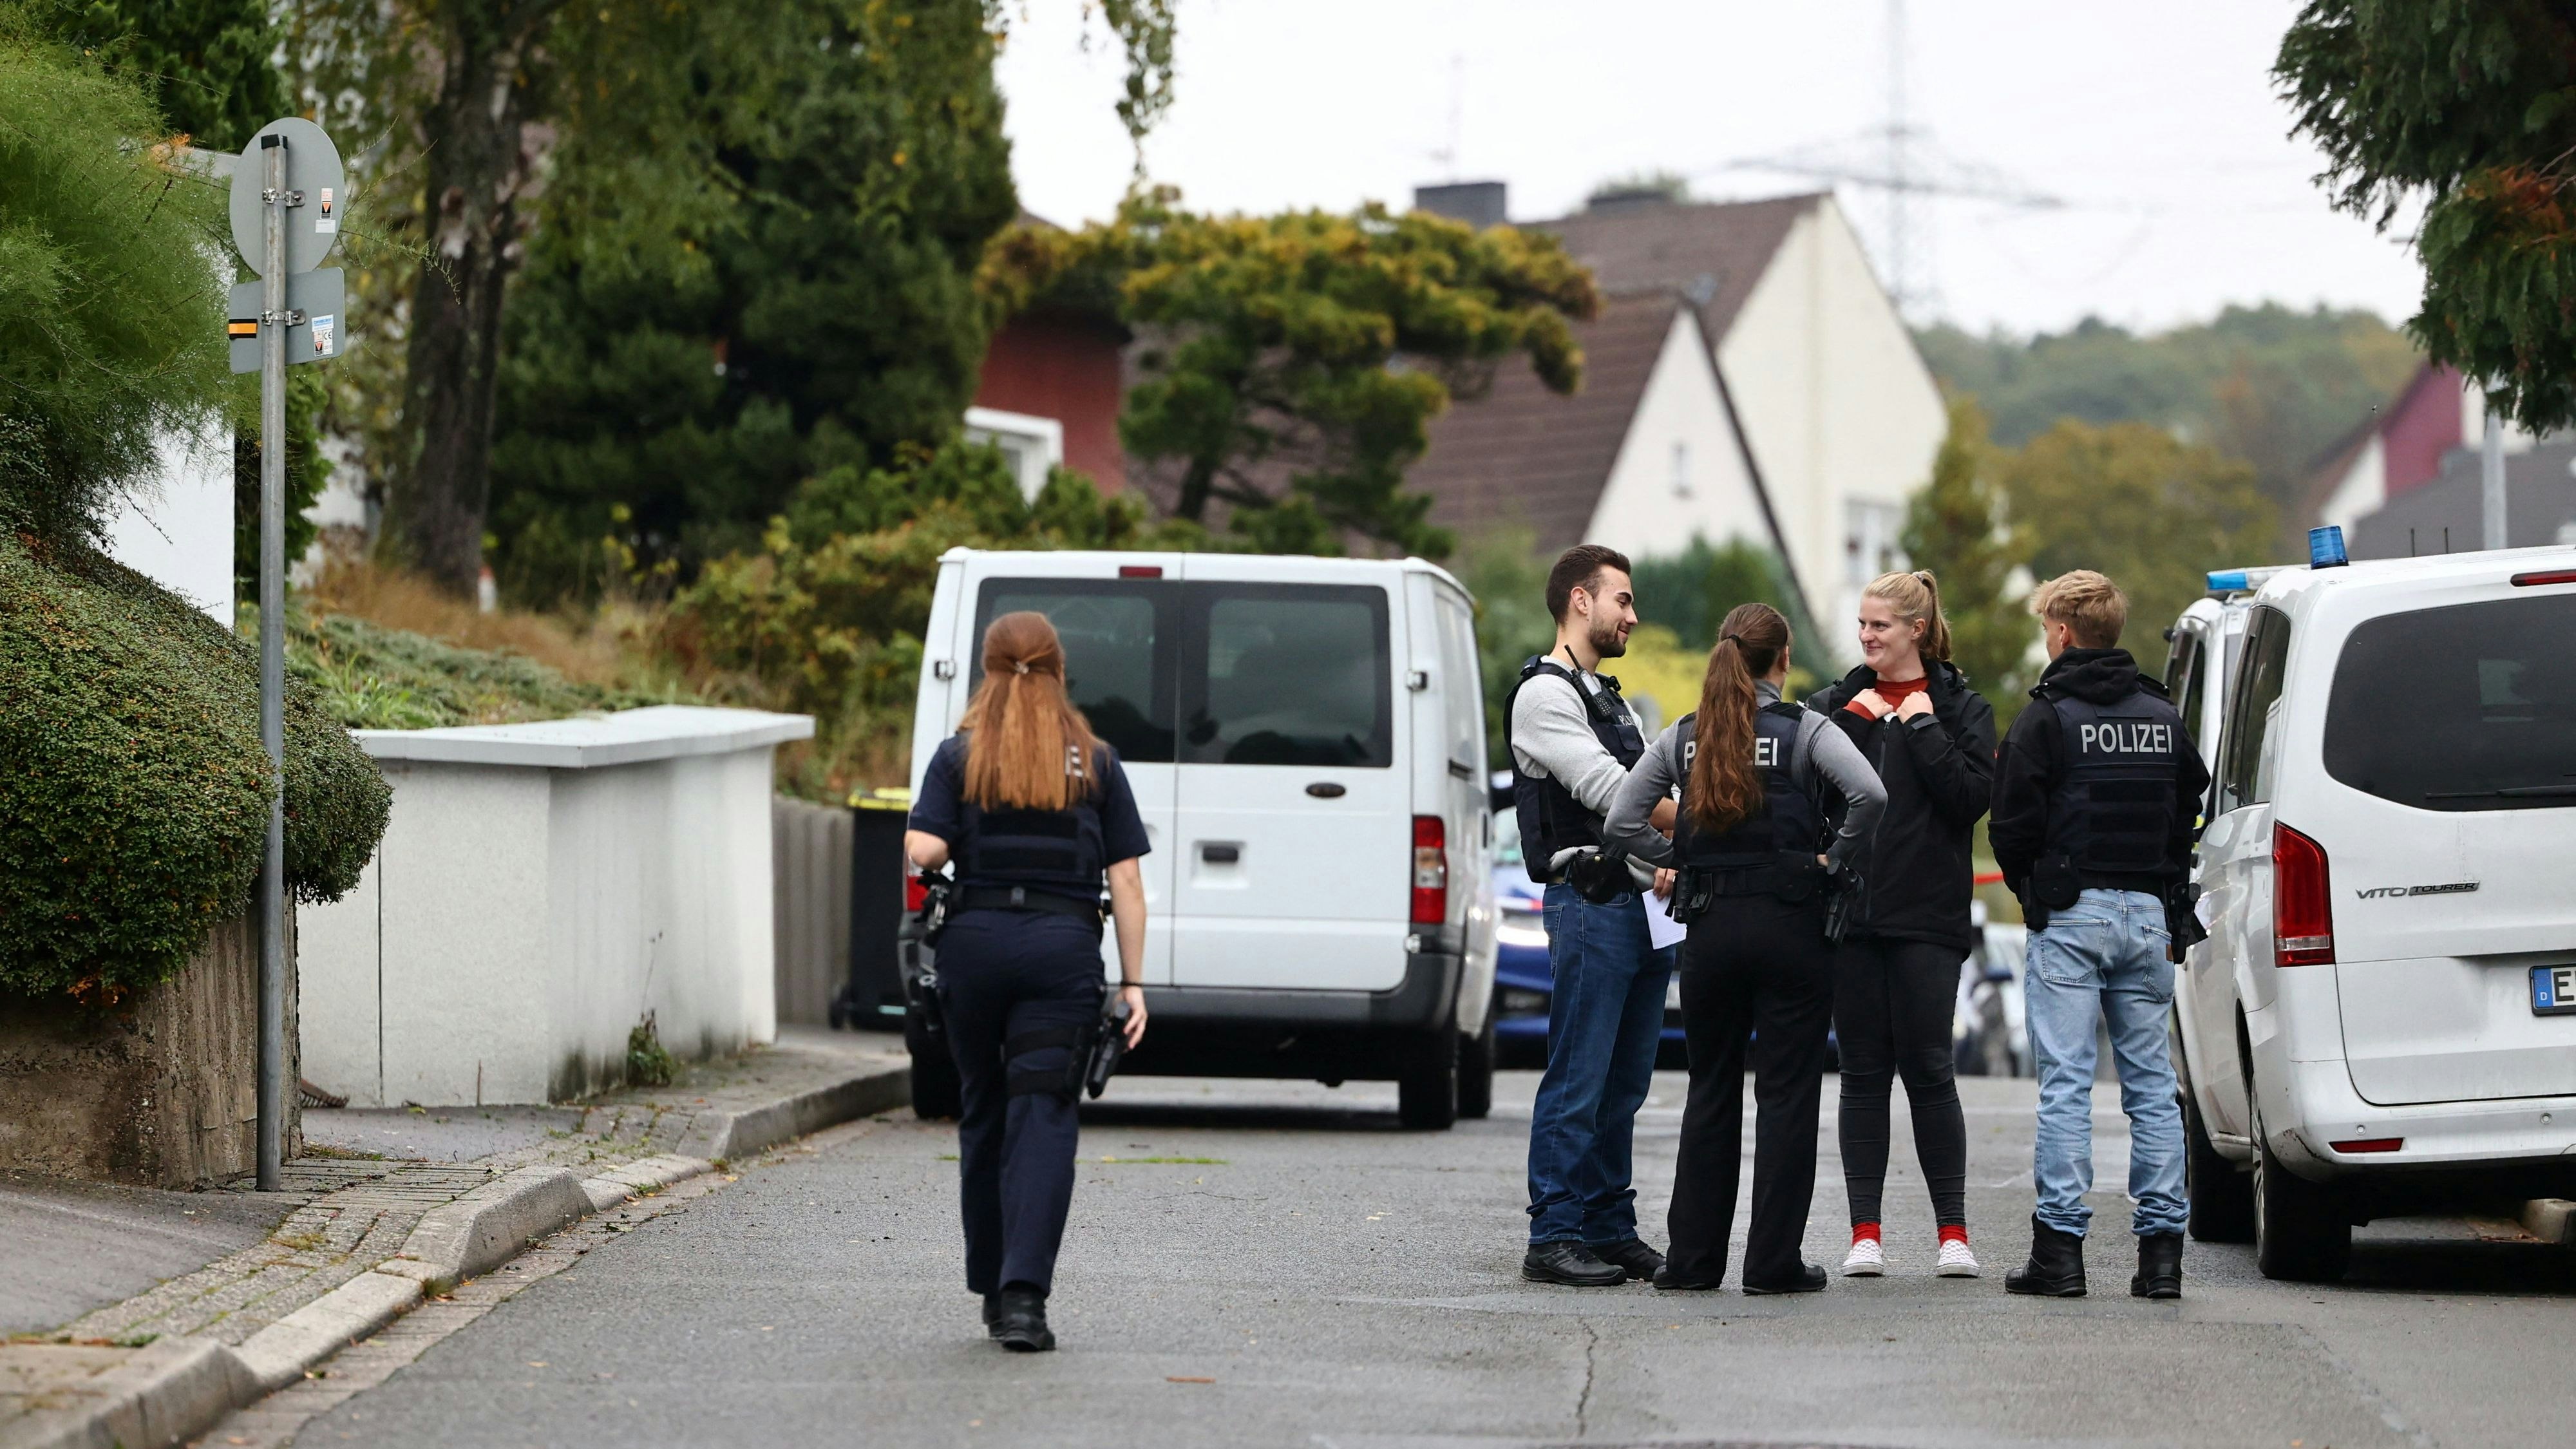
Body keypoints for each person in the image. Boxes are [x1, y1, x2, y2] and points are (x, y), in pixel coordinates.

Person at [1605, 602, 1886, 1294]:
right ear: (1782, 659)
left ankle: (1693, 1263)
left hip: (1711, 930)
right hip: (1791, 928)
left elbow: (1621, 821)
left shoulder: (1685, 735)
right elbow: (1870, 795)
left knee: (1710, 1091)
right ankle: (1771, 1264)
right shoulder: (1806, 730)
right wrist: (1832, 860)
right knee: (1786, 1095)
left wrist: (1678, 858)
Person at [904, 611, 1153, 1351]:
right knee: (1042, 1114)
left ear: (988, 671)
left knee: (984, 1109)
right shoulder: (1096, 762)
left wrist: (939, 835)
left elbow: (925, 850)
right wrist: (1133, 985)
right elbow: (1127, 882)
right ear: (1058, 670)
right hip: (1059, 954)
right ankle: (1023, 1301)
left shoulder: (960, 756)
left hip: (974, 950)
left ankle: (990, 1285)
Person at [1989, 570, 2208, 1300]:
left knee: (2066, 1087)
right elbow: (2190, 801)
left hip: (2071, 914)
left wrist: (2034, 891)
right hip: (2146, 915)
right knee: (2152, 1089)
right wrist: (2164, 887)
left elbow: (2009, 824)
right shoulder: (2161, 714)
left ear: (2062, 632)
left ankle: (2059, 1255)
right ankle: (2162, 1259)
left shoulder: (2046, 719)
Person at [1804, 571, 1996, 1278]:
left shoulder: (1962, 708)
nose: (1866, 636)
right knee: (1861, 1074)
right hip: (1850, 916)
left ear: (1917, 629)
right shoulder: (1833, 706)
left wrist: (1920, 725)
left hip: (1927, 919)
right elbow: (1808, 796)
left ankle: (1953, 1235)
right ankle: (1865, 1234)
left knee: (1929, 1070)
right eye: (1861, 624)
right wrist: (1855, 725)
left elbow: (1969, 799)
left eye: (1879, 625)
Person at [1507, 544, 1676, 1287]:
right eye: (1622, 600)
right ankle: (1554, 1234)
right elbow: (1615, 792)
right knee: (1579, 1078)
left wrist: (1671, 854)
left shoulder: (1609, 698)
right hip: (1590, 903)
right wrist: (1703, 829)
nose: (1631, 616)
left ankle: (1608, 1227)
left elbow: (1649, 789)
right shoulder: (1543, 696)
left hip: (1642, 906)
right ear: (1581, 599)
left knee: (1624, 1085)